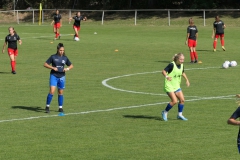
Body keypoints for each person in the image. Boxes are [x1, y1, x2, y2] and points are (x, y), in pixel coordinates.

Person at [44, 43, 73, 113]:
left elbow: (71, 65)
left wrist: (67, 69)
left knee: (60, 92)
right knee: (52, 91)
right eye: (60, 50)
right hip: (54, 76)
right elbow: (45, 64)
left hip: (62, 77)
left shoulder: (65, 58)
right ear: (57, 50)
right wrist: (52, 67)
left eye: (63, 50)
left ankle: (60, 107)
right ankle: (47, 106)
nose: (62, 52)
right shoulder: (53, 57)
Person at [161, 53, 190, 121]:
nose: (182, 61)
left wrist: (187, 80)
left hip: (176, 85)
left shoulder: (182, 65)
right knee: (174, 101)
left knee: (182, 100)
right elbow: (163, 71)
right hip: (169, 85)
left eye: (183, 59)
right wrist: (167, 76)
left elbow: (182, 72)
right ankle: (164, 112)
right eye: (181, 59)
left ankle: (179, 115)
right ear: (177, 59)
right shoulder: (172, 65)